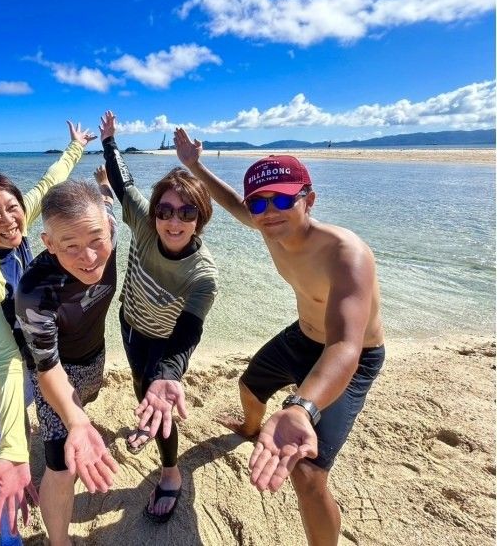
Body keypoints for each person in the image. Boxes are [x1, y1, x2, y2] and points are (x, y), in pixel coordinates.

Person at [175, 128, 386, 546]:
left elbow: (345, 345)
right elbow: (235, 204)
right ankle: (252, 429)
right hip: (303, 336)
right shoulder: (268, 225)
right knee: (250, 386)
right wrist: (194, 167)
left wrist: (301, 408)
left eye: (284, 198)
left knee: (307, 474)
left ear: (310, 198)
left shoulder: (347, 254)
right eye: (260, 202)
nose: (270, 211)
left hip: (352, 356)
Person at [0, 121, 96, 543]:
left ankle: (7, 434)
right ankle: (8, 532)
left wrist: (75, 148)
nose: (8, 218)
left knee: (26, 419)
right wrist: (16, 449)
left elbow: (51, 180)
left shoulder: (20, 219)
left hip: (29, 343)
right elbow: (4, 356)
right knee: (12, 450)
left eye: (12, 207)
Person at [100, 110, 218, 523]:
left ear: (200, 218)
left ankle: (171, 473)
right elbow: (122, 182)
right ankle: (147, 404)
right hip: (130, 324)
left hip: (166, 343)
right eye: (165, 210)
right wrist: (110, 141)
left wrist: (170, 374)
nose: (173, 220)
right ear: (153, 214)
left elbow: (189, 332)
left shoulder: (202, 275)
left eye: (187, 213)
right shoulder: (145, 226)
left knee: (160, 398)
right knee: (139, 386)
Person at [15, 179, 120, 546]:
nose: (89, 259)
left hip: (96, 354)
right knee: (60, 465)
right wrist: (75, 420)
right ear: (48, 243)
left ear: (109, 227)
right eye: (70, 247)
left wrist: (105, 183)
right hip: (57, 372)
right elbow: (47, 369)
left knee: (86, 405)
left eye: (96, 241)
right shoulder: (35, 291)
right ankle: (58, 542)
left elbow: (106, 199)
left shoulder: (110, 229)